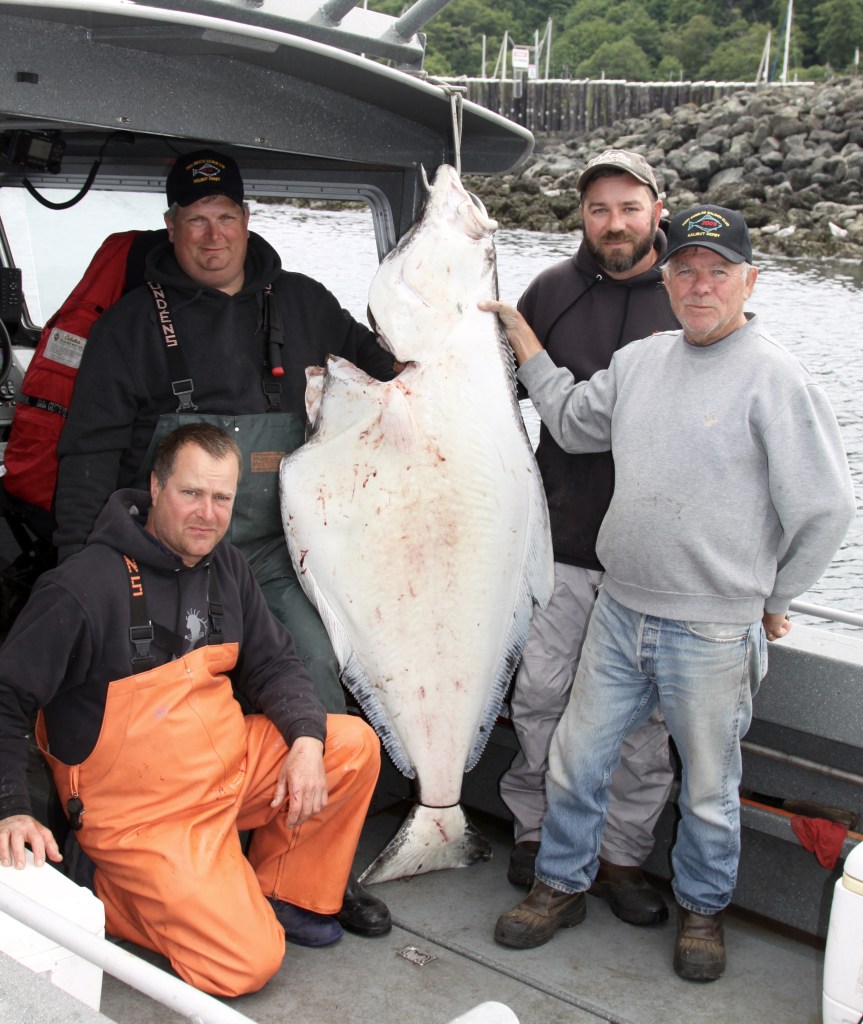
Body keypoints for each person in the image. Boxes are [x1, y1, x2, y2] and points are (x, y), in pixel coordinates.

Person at [483, 206, 856, 980]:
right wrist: (522, 338)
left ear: (749, 281)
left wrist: (774, 597)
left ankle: (702, 911)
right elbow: (572, 423)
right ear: (665, 280)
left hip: (713, 632)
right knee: (574, 763)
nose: (699, 285)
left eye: (718, 271)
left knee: (710, 791)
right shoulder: (641, 361)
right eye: (684, 269)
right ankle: (560, 884)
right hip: (618, 611)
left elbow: (824, 510)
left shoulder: (777, 378)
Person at [0, 423, 390, 998]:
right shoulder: (81, 587)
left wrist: (307, 741)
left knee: (349, 746)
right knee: (246, 963)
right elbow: (6, 697)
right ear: (156, 488)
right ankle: (108, 888)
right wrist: (10, 809)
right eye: (191, 493)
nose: (207, 514)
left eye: (222, 497)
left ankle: (285, 896)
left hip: (226, 771)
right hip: (144, 815)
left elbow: (276, 663)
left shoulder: (227, 566)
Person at [53, 149, 395, 716]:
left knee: (315, 665)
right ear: (171, 226)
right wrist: (78, 571)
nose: (214, 236)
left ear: (246, 219)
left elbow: (391, 377)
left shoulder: (305, 302)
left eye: (225, 217)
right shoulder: (127, 327)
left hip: (275, 555)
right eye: (196, 219)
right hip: (160, 554)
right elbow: (89, 456)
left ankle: (317, 769)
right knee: (164, 700)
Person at [501, 149, 679, 927]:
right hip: (561, 544)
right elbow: (484, 392)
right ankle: (535, 829)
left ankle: (621, 855)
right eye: (598, 208)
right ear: (581, 215)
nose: (613, 223)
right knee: (540, 696)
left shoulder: (690, 293)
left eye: (628, 207)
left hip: (654, 562)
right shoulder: (548, 293)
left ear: (656, 211)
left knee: (643, 724)